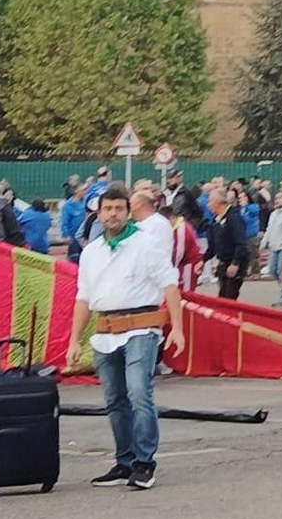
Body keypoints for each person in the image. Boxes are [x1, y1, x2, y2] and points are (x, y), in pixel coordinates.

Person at [68, 185, 185, 491]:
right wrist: (73, 341)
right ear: (99, 212)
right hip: (105, 330)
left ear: (128, 212)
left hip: (141, 328)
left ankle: (145, 463)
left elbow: (170, 286)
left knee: (138, 393)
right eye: (107, 209)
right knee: (114, 399)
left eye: (119, 209)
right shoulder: (91, 252)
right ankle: (125, 461)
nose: (113, 214)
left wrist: (178, 328)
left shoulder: (145, 244)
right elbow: (83, 298)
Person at [204, 188, 250, 300]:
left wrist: (235, 263)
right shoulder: (216, 220)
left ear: (218, 202)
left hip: (234, 263)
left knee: (229, 297)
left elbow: (241, 243)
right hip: (222, 263)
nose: (208, 204)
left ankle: (233, 317)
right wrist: (202, 260)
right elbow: (213, 245)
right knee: (222, 296)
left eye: (210, 201)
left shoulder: (234, 217)